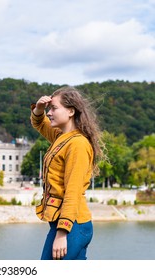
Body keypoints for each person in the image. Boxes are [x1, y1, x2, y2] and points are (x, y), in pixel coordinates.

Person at [30, 86, 104, 260]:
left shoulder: (77, 144)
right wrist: (39, 108)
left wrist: (62, 233)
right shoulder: (62, 137)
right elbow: (39, 123)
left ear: (71, 111)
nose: (49, 113)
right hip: (68, 224)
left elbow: (73, 191)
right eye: (49, 109)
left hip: (72, 226)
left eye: (54, 108)